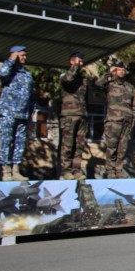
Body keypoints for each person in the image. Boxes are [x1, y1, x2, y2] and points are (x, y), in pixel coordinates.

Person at [0, 45, 34, 180]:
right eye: (21, 55)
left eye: (25, 55)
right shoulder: (8, 70)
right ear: (14, 55)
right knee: (6, 141)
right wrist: (11, 59)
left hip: (22, 114)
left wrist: (30, 112)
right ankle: (5, 171)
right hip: (7, 112)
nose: (24, 58)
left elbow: (31, 95)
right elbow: (2, 73)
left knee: (20, 143)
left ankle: (16, 170)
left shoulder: (27, 74)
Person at [96, 61, 135, 178]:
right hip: (113, 120)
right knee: (112, 146)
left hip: (127, 121)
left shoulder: (129, 87)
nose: (122, 72)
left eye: (123, 70)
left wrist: (134, 117)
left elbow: (133, 104)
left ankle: (119, 170)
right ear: (115, 71)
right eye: (119, 70)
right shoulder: (110, 84)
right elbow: (97, 84)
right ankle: (110, 171)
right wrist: (108, 73)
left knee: (122, 148)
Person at [59, 51, 89, 179]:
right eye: (79, 61)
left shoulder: (82, 79)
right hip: (69, 115)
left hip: (82, 115)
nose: (81, 64)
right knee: (68, 144)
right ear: (72, 61)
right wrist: (75, 66)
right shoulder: (65, 76)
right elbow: (69, 79)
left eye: (82, 61)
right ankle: (66, 170)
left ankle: (76, 169)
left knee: (79, 144)